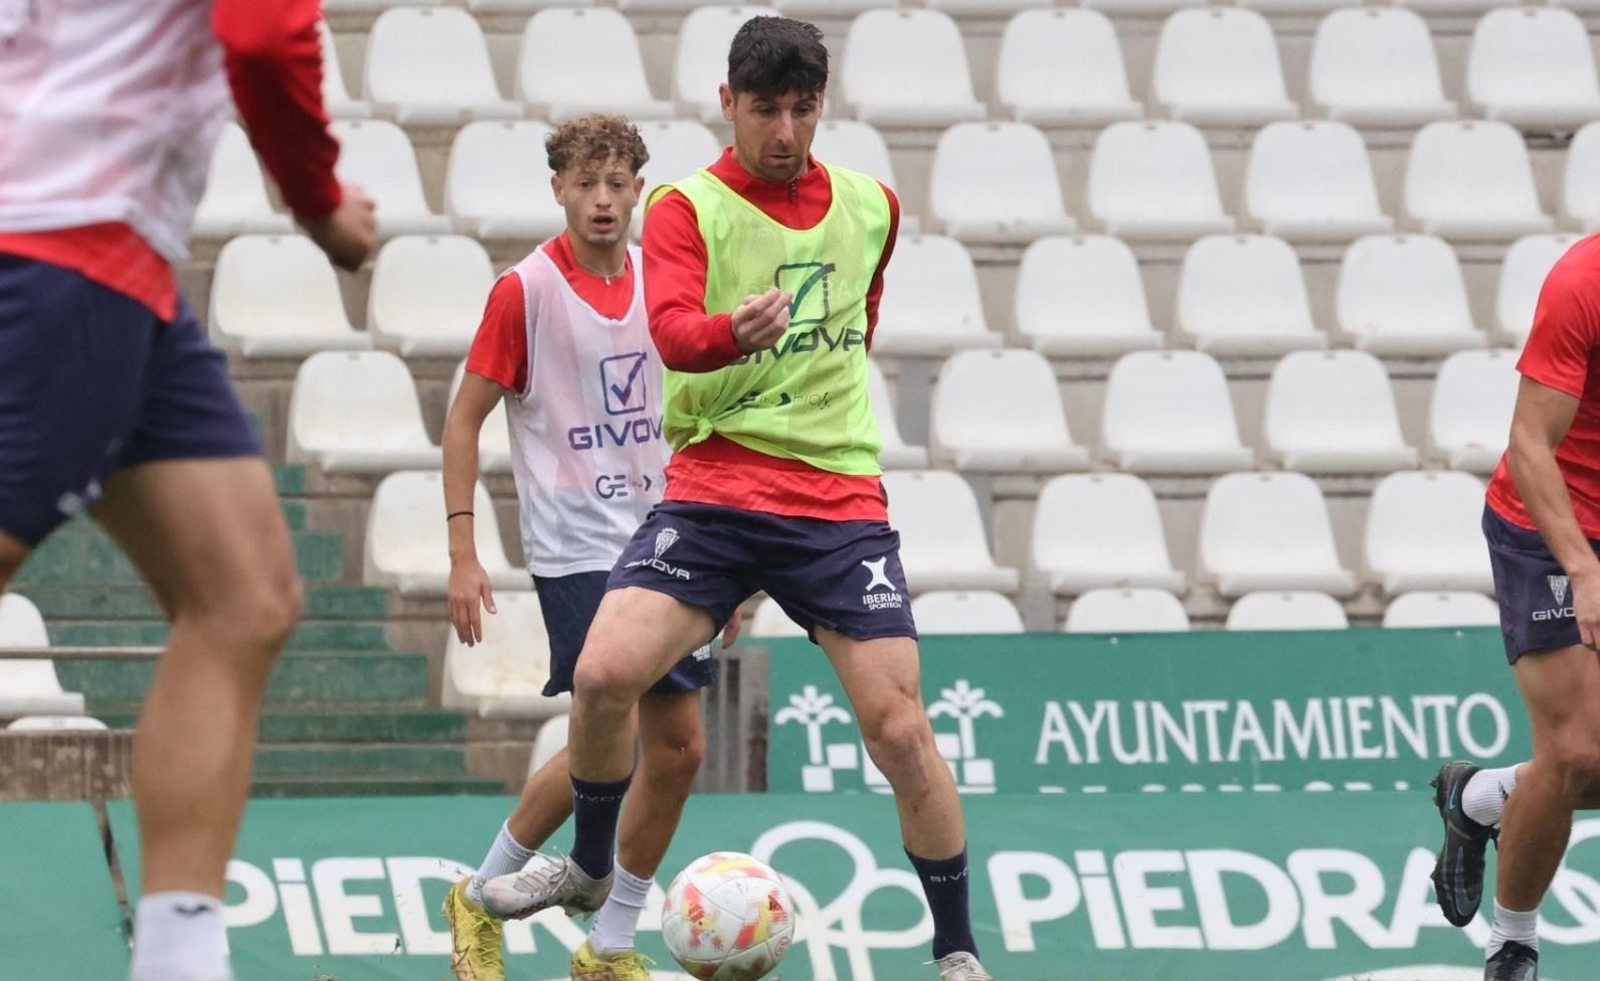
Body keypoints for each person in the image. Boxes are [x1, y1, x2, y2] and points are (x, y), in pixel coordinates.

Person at [484, 17, 995, 981]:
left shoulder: (872, 206)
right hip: (715, 489)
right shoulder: (685, 207)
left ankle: (957, 950)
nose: (786, 132)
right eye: (766, 109)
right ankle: (593, 868)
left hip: (835, 503)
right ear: (729, 103)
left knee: (900, 727)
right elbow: (673, 334)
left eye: (803, 110)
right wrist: (734, 333)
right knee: (602, 678)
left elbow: (857, 328)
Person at [0, 2, 376, 980]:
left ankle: (180, 962)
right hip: (53, 235)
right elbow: (262, 33)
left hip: (112, 257)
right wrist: (317, 202)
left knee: (245, 598)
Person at [439, 114, 729, 981]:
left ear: (640, 190)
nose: (602, 201)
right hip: (576, 548)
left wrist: (733, 560)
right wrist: (464, 549)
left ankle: (601, 942)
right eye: (584, 184)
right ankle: (498, 893)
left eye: (617, 185)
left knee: (677, 749)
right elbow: (462, 423)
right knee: (614, 724)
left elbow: (705, 414)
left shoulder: (666, 282)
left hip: (672, 535)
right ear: (558, 188)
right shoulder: (523, 292)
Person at [1434, 233, 1600, 981]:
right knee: (1577, 753)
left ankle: (1477, 796)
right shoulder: (1582, 282)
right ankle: (1514, 944)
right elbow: (1530, 441)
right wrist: (1582, 565)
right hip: (1549, 524)